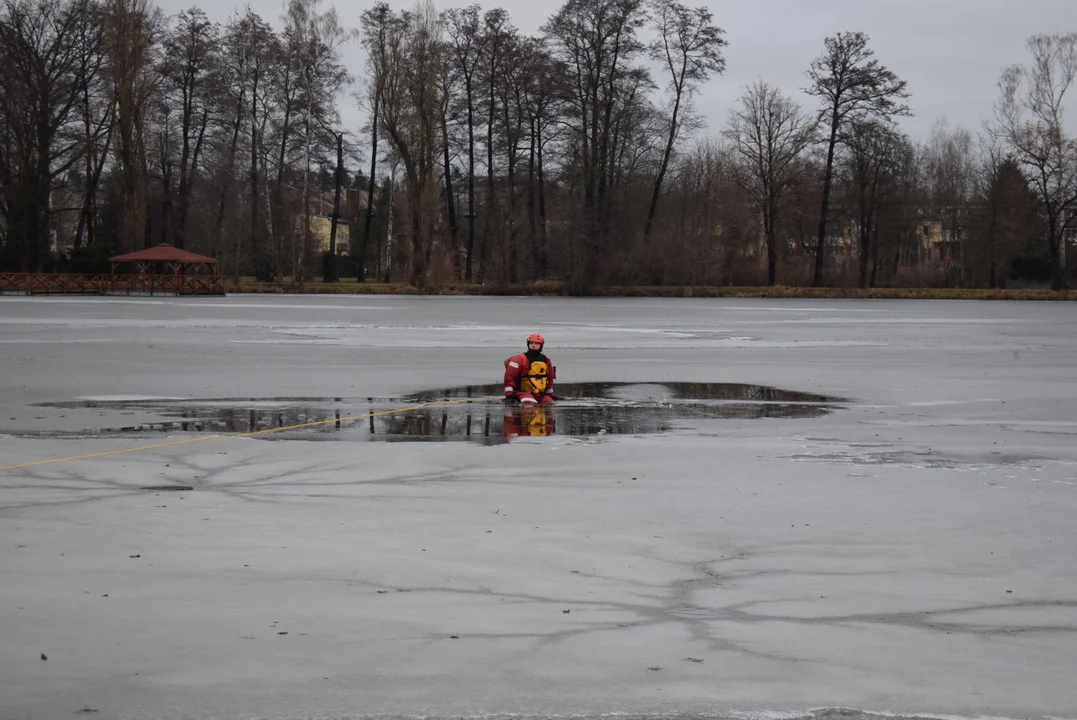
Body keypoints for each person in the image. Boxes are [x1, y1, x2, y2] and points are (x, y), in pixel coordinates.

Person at [503, 333, 556, 405]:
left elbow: (550, 378)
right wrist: (509, 395)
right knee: (529, 403)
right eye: (531, 343)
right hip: (522, 392)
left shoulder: (546, 360)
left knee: (549, 403)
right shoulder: (518, 359)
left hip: (539, 393)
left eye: (536, 343)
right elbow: (509, 377)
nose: (533, 345)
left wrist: (550, 395)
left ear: (541, 345)